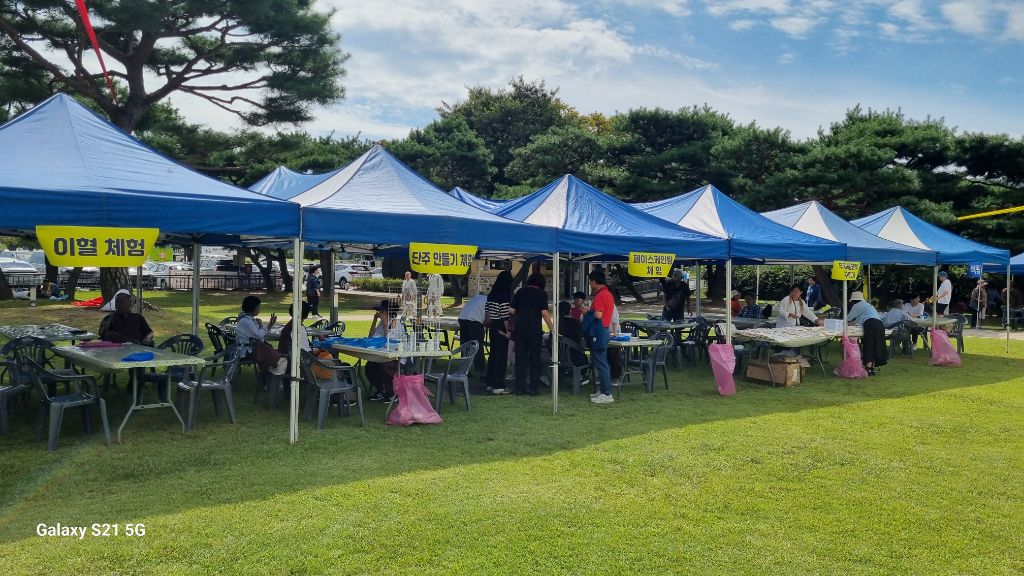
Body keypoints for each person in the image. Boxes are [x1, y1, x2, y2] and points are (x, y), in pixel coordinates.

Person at [509, 272, 554, 396]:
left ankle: (520, 387)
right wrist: (552, 328)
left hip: (520, 329)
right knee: (535, 359)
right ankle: (533, 388)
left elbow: (511, 310)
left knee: (520, 359)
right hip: (534, 330)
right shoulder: (542, 294)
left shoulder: (520, 292)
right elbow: (544, 313)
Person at [235, 295, 288, 376]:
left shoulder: (249, 320)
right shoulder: (246, 321)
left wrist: (262, 325)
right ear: (253, 307)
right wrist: (270, 324)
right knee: (277, 358)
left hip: (254, 348)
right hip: (248, 351)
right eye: (258, 307)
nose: (259, 309)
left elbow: (260, 335)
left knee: (270, 350)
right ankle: (276, 366)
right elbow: (259, 335)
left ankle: (271, 371)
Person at [586, 269, 615, 405]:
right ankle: (603, 390)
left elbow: (598, 314)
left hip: (599, 331)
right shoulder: (608, 293)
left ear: (594, 281)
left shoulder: (600, 295)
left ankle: (607, 393)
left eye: (590, 281)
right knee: (601, 361)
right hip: (604, 329)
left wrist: (588, 312)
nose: (590, 284)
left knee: (601, 363)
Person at [485, 271, 514, 395]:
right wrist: (509, 331)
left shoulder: (491, 294)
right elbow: (505, 316)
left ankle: (490, 383)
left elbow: (487, 314)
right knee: (501, 356)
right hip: (502, 326)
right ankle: (498, 385)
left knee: (493, 354)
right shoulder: (504, 295)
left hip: (493, 326)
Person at [847, 291, 887, 375]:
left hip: (871, 324)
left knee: (869, 345)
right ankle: (872, 368)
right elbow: (859, 320)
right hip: (880, 324)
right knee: (877, 345)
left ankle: (868, 369)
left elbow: (849, 318)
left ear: (854, 300)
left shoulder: (857, 305)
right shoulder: (869, 306)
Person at [366, 299, 398, 402]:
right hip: (381, 354)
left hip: (394, 356)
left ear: (388, 312)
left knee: (384, 366)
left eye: (382, 311)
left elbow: (390, 340)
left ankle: (391, 393)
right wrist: (374, 321)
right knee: (369, 366)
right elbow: (370, 337)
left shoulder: (395, 322)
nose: (380, 313)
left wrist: (385, 323)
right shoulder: (381, 323)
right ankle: (381, 390)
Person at [458, 292, 488, 376]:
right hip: (474, 321)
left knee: (465, 345)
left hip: (463, 318)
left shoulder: (476, 297)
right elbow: (488, 319)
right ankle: (481, 371)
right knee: (477, 346)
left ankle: (464, 370)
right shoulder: (488, 300)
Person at [557, 301, 589, 369]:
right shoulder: (575, 323)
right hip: (574, 357)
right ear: (570, 311)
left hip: (558, 357)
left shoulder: (556, 324)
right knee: (585, 358)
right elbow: (580, 339)